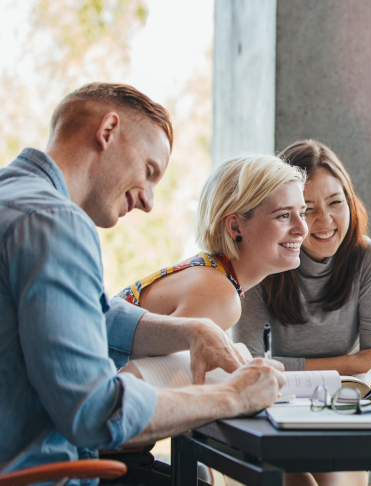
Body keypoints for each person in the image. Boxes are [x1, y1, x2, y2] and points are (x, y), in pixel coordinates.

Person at [0, 83, 287, 485]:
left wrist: (191, 330)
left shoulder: (13, 199)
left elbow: (85, 316)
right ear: (108, 131)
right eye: (149, 171)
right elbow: (95, 413)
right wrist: (232, 395)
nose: (149, 201)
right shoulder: (55, 223)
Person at [232, 139, 371, 486]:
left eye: (335, 202)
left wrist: (357, 368)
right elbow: (248, 367)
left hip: (343, 410)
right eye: (307, 208)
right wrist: (352, 363)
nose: (324, 220)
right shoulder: (262, 260)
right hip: (272, 411)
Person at [115, 154, 308, 332]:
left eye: (302, 214)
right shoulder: (219, 296)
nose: (303, 229)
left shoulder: (211, 274)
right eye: (283, 215)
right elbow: (135, 369)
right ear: (235, 227)